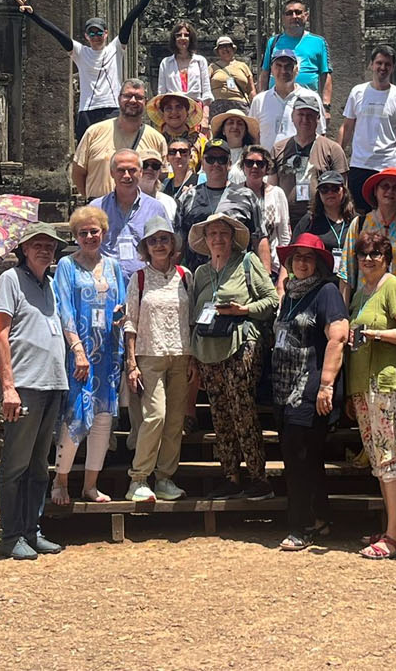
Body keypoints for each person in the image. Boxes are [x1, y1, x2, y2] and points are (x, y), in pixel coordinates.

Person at [0, 223, 69, 560]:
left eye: (49, 246)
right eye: (36, 244)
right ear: (23, 249)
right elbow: (1, 336)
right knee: (15, 465)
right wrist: (7, 386)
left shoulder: (50, 285)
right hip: (24, 385)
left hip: (52, 384)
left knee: (39, 466)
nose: (44, 250)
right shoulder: (11, 280)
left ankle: (31, 530)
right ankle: (11, 534)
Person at [188, 213, 278, 500]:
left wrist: (243, 310)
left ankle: (258, 476)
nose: (217, 238)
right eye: (212, 233)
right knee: (220, 414)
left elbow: (271, 301)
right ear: (205, 239)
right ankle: (230, 475)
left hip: (241, 343)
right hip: (208, 350)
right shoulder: (201, 273)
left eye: (223, 233)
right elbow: (193, 316)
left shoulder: (248, 262)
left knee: (242, 409)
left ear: (232, 237)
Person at [346, 228, 396, 559]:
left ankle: (393, 537)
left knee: (389, 455)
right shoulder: (362, 292)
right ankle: (394, 528)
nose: (368, 259)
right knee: (378, 458)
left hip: (385, 382)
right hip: (363, 383)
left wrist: (376, 333)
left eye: (375, 254)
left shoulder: (393, 286)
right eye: (363, 254)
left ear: (387, 258)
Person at [271, 233, 348, 551]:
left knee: (299, 456)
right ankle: (319, 517)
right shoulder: (289, 294)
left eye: (308, 257)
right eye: (296, 257)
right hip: (282, 388)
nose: (302, 262)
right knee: (302, 457)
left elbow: (338, 336)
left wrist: (327, 385)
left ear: (317, 263)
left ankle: (300, 526)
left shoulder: (326, 291)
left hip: (310, 387)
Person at [16, 0, 163, 140]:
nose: (96, 36)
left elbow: (130, 20)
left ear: (106, 33)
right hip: (87, 110)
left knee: (113, 152)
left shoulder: (116, 48)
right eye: (92, 33)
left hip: (112, 107)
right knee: (86, 155)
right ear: (86, 36)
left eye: (99, 32)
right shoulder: (80, 52)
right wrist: (33, 15)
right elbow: (57, 33)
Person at [50, 206, 126, 507]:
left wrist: (121, 315)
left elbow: (121, 300)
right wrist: (77, 350)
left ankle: (91, 485)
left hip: (108, 353)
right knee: (75, 417)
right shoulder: (67, 266)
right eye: (83, 233)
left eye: (94, 231)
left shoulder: (114, 265)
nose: (90, 237)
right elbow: (64, 309)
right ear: (76, 236)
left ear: (103, 232)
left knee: (103, 420)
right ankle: (61, 479)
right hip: (80, 355)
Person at [123, 215, 192, 503]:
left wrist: (193, 360)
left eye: (164, 239)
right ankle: (138, 478)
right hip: (149, 356)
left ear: (172, 243)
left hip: (180, 355)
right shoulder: (138, 278)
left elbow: (191, 320)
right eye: (154, 240)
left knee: (175, 420)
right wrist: (132, 363)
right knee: (155, 417)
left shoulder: (185, 275)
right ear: (146, 247)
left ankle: (164, 477)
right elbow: (130, 322)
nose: (160, 245)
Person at [340, 45, 396, 213]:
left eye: (387, 64)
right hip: (360, 164)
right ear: (371, 65)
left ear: (393, 67)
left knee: (390, 212)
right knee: (359, 214)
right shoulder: (357, 92)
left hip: (388, 165)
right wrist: (337, 156)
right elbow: (347, 127)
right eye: (379, 63)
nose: (382, 68)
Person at [174, 141, 269, 272]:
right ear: (203, 163)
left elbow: (259, 238)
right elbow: (179, 243)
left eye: (221, 159)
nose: (216, 164)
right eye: (210, 159)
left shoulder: (246, 196)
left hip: (236, 276)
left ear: (229, 164)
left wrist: (266, 275)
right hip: (197, 277)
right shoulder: (187, 197)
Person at [71, 80, 168, 199]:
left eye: (138, 97)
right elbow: (78, 173)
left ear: (145, 102)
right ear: (119, 99)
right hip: (99, 211)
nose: (132, 101)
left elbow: (161, 176)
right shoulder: (94, 132)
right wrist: (94, 202)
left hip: (138, 212)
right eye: (127, 96)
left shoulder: (157, 139)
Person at [271, 88, 348, 228]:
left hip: (321, 219)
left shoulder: (333, 149)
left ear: (318, 118)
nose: (305, 119)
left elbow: (343, 190)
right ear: (292, 116)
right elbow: (271, 188)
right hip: (286, 220)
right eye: (301, 114)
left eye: (310, 115)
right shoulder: (278, 149)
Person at [343, 167, 396, 293]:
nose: (390, 191)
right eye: (385, 186)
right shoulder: (359, 224)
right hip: (366, 303)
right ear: (375, 190)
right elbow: (346, 272)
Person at [96, 149, 168, 282]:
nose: (127, 175)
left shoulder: (156, 208)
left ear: (140, 172)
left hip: (145, 284)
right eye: (121, 170)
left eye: (132, 170)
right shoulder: (96, 208)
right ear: (112, 173)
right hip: (106, 285)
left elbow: (168, 247)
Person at [260, 0, 333, 116]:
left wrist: (326, 106)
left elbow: (326, 75)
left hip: (307, 103)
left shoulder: (318, 42)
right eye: (289, 13)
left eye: (298, 12)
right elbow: (265, 73)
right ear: (283, 18)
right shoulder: (273, 42)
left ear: (306, 15)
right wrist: (262, 97)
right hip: (276, 101)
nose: (294, 16)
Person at [293, 169, 356, 288]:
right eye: (324, 189)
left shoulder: (355, 221)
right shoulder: (309, 221)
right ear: (319, 194)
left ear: (344, 190)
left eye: (335, 188)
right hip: (317, 285)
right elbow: (293, 252)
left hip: (349, 285)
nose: (330, 193)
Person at [241, 144, 290, 282]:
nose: (254, 167)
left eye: (260, 163)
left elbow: (284, 237)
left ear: (267, 167)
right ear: (243, 167)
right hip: (241, 268)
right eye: (249, 163)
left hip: (272, 268)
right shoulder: (234, 193)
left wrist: (282, 276)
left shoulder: (277, 194)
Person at [157, 21, 213, 130]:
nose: (183, 38)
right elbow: (161, 93)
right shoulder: (166, 62)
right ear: (174, 39)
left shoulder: (200, 61)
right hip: (173, 112)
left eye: (186, 35)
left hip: (196, 111)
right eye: (178, 35)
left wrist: (205, 118)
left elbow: (206, 92)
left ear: (191, 38)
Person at [248, 49, 302, 150]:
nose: (283, 71)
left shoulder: (309, 98)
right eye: (278, 66)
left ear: (297, 69)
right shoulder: (259, 101)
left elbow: (320, 134)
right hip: (267, 162)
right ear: (272, 70)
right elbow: (253, 136)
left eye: (288, 66)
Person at [209, 108, 260, 185]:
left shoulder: (252, 155)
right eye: (230, 123)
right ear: (223, 130)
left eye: (239, 123)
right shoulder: (213, 153)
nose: (235, 126)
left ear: (245, 131)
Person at [147, 91, 203, 159]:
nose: (174, 112)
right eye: (168, 108)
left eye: (179, 107)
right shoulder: (153, 140)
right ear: (162, 113)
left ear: (187, 112)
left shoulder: (199, 140)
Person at [208, 35, 254, 111]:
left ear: (233, 49)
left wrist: (254, 106)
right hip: (218, 105)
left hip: (240, 104)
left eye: (227, 46)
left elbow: (251, 90)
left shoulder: (243, 66)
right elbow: (205, 87)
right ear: (218, 51)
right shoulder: (212, 67)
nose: (225, 49)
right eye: (221, 47)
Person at [139, 151, 178, 223]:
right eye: (145, 165)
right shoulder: (126, 200)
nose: (150, 168)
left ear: (160, 171)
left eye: (155, 166)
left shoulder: (168, 202)